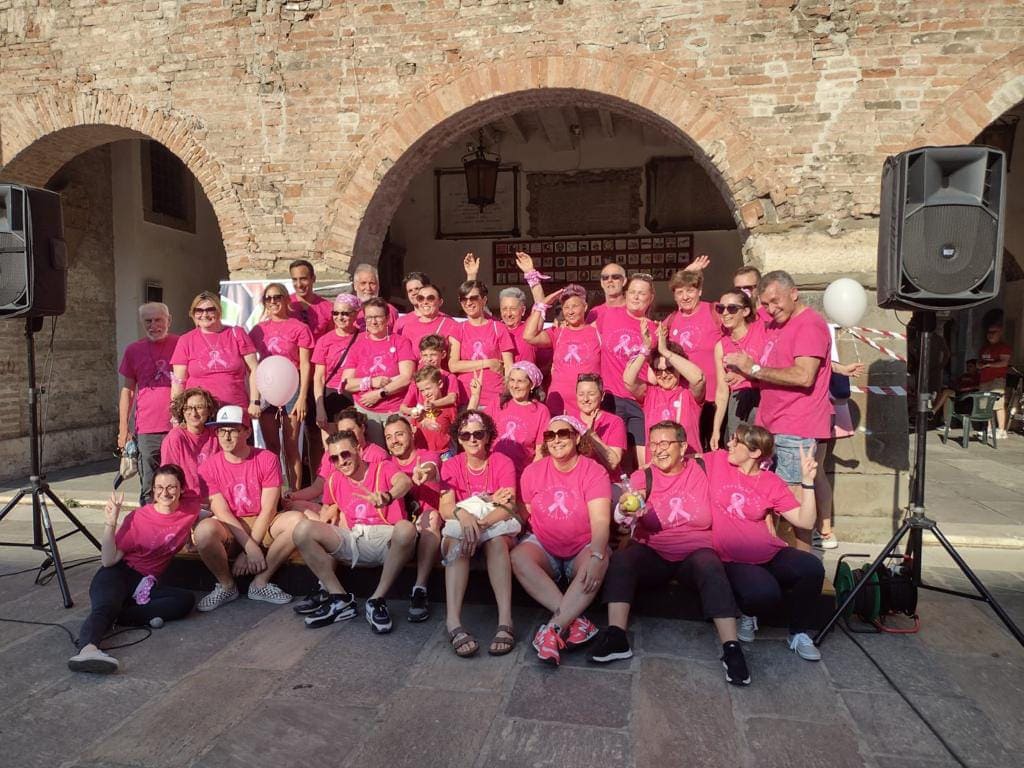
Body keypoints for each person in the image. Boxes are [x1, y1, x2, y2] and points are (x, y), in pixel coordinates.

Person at [588, 421, 750, 687]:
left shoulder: (704, 466)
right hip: (654, 551)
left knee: (711, 567)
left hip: (696, 551)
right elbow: (624, 508)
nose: (658, 450)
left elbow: (740, 453)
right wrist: (625, 510)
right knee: (623, 560)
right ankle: (616, 636)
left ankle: (731, 648)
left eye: (665, 443)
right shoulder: (644, 476)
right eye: (653, 444)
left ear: (683, 447)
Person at [722, 270, 833, 551]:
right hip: (771, 424)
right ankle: (775, 558)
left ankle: (804, 565)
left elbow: (804, 375)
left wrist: (753, 368)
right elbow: (772, 369)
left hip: (796, 427)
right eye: (766, 304)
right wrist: (746, 374)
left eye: (776, 301)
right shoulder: (775, 324)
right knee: (771, 499)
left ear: (794, 293)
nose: (771, 309)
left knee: (795, 505)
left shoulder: (809, 325)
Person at [709, 424, 825, 662]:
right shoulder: (718, 461)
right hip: (734, 559)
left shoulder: (771, 482)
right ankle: (747, 613)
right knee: (764, 593)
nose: (729, 444)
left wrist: (808, 482)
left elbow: (805, 521)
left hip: (770, 552)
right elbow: (685, 461)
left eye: (736, 441)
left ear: (754, 452)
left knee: (812, 567)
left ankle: (798, 633)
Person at [67, 466, 198, 674]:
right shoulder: (139, 518)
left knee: (185, 600)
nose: (165, 493)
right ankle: (88, 650)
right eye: (159, 487)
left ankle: (121, 616)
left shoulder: (189, 510)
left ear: (182, 489)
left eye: (171, 487)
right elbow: (108, 560)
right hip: (118, 573)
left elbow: (205, 512)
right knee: (105, 607)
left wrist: (194, 537)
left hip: (146, 583)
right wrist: (110, 523)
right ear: (153, 490)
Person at [291, 430, 415, 632]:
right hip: (352, 537)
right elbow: (328, 507)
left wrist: (387, 496)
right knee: (302, 529)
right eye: (335, 458)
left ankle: (376, 600)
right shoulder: (333, 480)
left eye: (345, 454)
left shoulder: (382, 467)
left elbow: (405, 482)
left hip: (385, 538)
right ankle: (339, 598)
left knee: (406, 529)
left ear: (359, 450)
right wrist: (327, 510)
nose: (341, 461)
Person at [512, 415, 612, 666]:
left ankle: (552, 628)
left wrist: (597, 554)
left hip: (582, 545)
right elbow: (525, 512)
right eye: (550, 435)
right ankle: (576, 621)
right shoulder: (533, 472)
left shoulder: (593, 471)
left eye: (563, 434)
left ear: (576, 438)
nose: (556, 440)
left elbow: (600, 521)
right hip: (544, 543)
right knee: (518, 557)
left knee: (599, 558)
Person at [439, 410, 520, 657]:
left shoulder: (502, 462)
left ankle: (505, 620)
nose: (472, 439)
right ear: (458, 438)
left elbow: (509, 506)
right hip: (464, 524)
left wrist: (481, 525)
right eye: (465, 435)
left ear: (487, 436)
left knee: (497, 543)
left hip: (491, 524)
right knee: (456, 542)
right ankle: (453, 621)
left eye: (478, 434)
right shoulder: (451, 465)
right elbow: (445, 507)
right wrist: (464, 516)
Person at [193, 405, 288, 611]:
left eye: (233, 430)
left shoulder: (267, 458)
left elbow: (269, 509)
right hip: (231, 525)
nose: (226, 437)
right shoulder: (208, 467)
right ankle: (227, 585)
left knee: (297, 523)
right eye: (221, 431)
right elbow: (222, 512)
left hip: (262, 521)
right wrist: (250, 547)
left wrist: (248, 551)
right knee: (203, 532)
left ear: (247, 432)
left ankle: (260, 583)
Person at [250, 281, 314, 490]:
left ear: (286, 299)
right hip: (267, 387)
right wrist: (254, 398)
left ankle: (294, 494)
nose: (273, 301)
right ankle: (274, 492)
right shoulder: (258, 330)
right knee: (271, 447)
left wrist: (303, 397)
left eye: (277, 297)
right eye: (268, 298)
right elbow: (251, 363)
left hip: (291, 389)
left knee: (291, 445)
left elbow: (305, 364)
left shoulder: (299, 327)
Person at [382, 415, 444, 622]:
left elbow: (431, 467)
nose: (394, 441)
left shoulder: (427, 456)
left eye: (399, 434)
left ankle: (420, 588)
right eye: (389, 437)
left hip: (426, 528)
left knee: (431, 517)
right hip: (399, 529)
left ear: (412, 433)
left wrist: (424, 473)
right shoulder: (386, 464)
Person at [118, 302, 178, 505]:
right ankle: (149, 523)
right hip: (147, 428)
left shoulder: (182, 344)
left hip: (178, 425)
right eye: (148, 321)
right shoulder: (133, 350)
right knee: (150, 486)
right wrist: (123, 429)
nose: (154, 326)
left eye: (158, 320)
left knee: (178, 480)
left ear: (169, 320)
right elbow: (128, 391)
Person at [595, 273, 658, 466]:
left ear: (651, 298)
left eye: (642, 293)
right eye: (632, 292)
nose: (636, 297)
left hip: (639, 399)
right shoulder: (607, 315)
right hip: (610, 397)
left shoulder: (655, 329)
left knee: (644, 460)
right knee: (612, 460)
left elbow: (656, 369)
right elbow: (584, 332)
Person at [170, 292, 261, 422]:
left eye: (210, 309)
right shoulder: (186, 340)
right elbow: (178, 381)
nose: (204, 314)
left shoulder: (236, 333)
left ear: (219, 311)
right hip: (199, 414)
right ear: (193, 314)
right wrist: (176, 414)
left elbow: (254, 369)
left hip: (235, 409)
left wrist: (255, 401)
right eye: (199, 310)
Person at [624, 323, 705, 460]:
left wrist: (665, 351)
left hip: (687, 463)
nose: (664, 374)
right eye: (658, 370)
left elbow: (699, 378)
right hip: (658, 465)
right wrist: (646, 348)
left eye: (669, 368)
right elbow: (628, 380)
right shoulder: (649, 394)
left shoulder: (688, 393)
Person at [285, 407, 389, 513]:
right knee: (293, 505)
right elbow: (317, 488)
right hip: (334, 505)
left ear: (362, 428)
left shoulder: (378, 454)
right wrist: (292, 496)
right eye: (342, 432)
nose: (348, 436)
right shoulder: (332, 454)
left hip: (365, 507)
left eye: (350, 431)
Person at [341, 297, 416, 445]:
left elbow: (407, 377)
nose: (373, 322)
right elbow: (347, 383)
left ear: (387, 318)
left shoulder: (400, 342)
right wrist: (371, 382)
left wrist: (379, 393)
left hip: (395, 410)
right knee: (375, 453)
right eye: (369, 317)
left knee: (400, 450)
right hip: (367, 412)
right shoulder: (357, 346)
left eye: (378, 317)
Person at [523, 284, 602, 415]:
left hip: (588, 403)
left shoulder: (597, 333)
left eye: (575, 306)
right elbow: (528, 336)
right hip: (558, 403)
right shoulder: (558, 333)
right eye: (566, 307)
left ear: (585, 307)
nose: (570, 311)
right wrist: (542, 305)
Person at [665, 269, 721, 450]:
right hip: (686, 399)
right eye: (679, 292)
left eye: (690, 290)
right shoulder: (671, 320)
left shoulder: (714, 311)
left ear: (700, 291)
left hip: (714, 397)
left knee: (715, 449)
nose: (685, 297)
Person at [468, 360, 550, 472]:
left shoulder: (541, 411)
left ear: (531, 385)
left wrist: (529, 475)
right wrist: (475, 396)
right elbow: (470, 425)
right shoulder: (499, 403)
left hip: (521, 472)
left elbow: (540, 452)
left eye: (520, 381)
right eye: (512, 380)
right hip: (493, 470)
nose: (515, 386)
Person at [449, 280, 515, 413]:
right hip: (467, 397)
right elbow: (453, 365)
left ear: (484, 300)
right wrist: (488, 363)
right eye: (463, 299)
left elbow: (509, 366)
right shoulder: (458, 329)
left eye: (473, 298)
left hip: (495, 396)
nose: (468, 303)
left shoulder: (498, 328)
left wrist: (508, 395)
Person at [711, 289, 764, 449]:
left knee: (762, 449)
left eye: (732, 308)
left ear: (745, 311)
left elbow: (775, 367)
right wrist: (716, 429)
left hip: (762, 397)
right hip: (737, 402)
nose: (725, 313)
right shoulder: (721, 346)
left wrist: (745, 375)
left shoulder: (761, 331)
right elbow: (722, 391)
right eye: (720, 308)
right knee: (738, 450)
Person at [312, 293, 362, 435]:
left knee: (357, 440)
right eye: (336, 313)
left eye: (345, 313)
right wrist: (320, 408)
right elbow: (319, 377)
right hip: (332, 394)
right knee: (332, 443)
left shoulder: (363, 337)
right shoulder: (324, 341)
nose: (339, 317)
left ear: (355, 314)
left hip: (356, 393)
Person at [160, 387, 220, 505]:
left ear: (209, 410)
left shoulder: (216, 436)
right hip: (185, 500)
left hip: (215, 498)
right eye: (188, 408)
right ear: (182, 411)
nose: (194, 413)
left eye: (199, 407)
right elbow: (168, 475)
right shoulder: (175, 437)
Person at [566, 373, 627, 480]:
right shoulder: (569, 421)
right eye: (581, 394)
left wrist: (592, 435)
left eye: (591, 394)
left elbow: (613, 463)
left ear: (602, 396)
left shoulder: (615, 422)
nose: (585, 399)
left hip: (607, 481)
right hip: (576, 481)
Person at [402, 365, 457, 454]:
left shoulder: (449, 408)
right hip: (423, 453)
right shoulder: (420, 410)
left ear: (440, 384)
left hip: (444, 452)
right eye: (422, 390)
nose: (426, 393)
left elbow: (456, 429)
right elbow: (413, 428)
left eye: (428, 388)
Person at [395, 283, 457, 357]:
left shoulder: (451, 325)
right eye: (421, 298)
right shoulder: (408, 327)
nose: (425, 302)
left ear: (440, 302)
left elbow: (453, 360)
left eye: (430, 298)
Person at [978, 322, 1012, 439]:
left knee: (998, 404)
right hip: (984, 379)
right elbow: (979, 361)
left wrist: (988, 365)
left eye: (993, 332)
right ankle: (988, 428)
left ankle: (1001, 430)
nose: (990, 334)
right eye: (989, 332)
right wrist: (979, 365)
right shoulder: (984, 348)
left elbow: (1004, 362)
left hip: (997, 379)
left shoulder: (1004, 347)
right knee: (985, 405)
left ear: (1000, 333)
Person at [289, 259, 334, 339]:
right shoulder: (284, 305)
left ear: (313, 279)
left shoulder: (328, 308)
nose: (299, 285)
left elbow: (331, 339)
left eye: (303, 279)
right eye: (295, 280)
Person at [352, 263, 399, 332]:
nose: (368, 288)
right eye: (363, 283)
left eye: (372, 283)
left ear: (378, 286)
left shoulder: (389, 310)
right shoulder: (347, 311)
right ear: (355, 286)